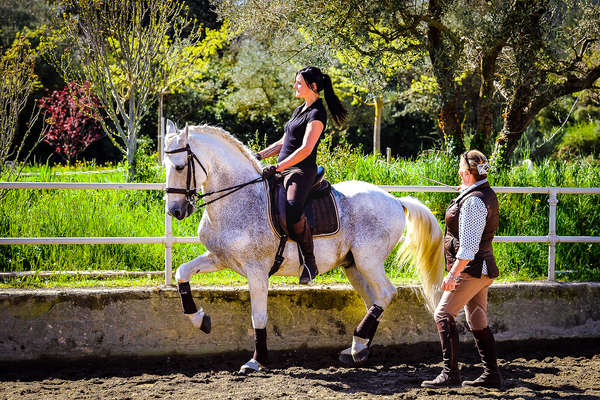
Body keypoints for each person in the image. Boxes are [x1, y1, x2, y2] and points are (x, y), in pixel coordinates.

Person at [255, 66, 347, 284]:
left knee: (293, 207)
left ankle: (310, 262)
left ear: (313, 87)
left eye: (299, 83)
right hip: (285, 168)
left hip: (301, 170)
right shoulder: (300, 110)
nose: (294, 86)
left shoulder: (317, 113)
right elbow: (283, 142)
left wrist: (278, 167)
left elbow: (306, 148)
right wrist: (258, 155)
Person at [421, 149, 503, 389]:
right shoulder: (480, 194)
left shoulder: (474, 202)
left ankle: (450, 374)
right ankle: (492, 375)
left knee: (442, 315)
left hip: (471, 270)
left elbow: (468, 247)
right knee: (476, 318)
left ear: (467, 172)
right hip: (482, 269)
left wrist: (452, 274)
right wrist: (466, 194)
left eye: (461, 169)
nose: (458, 172)